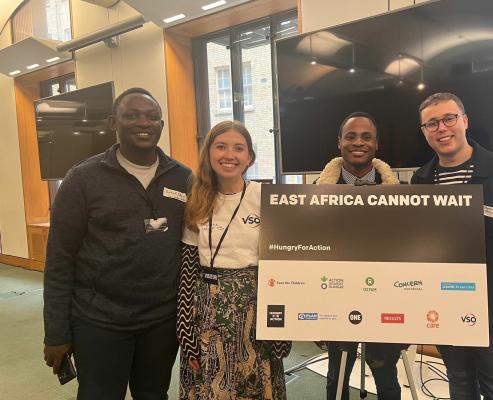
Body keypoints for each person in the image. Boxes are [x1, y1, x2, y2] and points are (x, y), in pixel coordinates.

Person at [43, 87, 191, 399]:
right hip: (100, 321)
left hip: (161, 322)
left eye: (152, 117)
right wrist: (56, 333)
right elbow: (59, 260)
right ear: (113, 122)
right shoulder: (82, 179)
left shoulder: (183, 178)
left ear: (161, 126)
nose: (144, 122)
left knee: (153, 394)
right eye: (132, 115)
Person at [411, 92, 493, 399]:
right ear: (424, 132)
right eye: (432, 123)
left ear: (465, 121)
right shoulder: (421, 180)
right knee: (460, 386)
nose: (442, 128)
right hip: (445, 309)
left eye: (449, 118)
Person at [177, 120, 289, 400]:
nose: (230, 154)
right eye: (221, 146)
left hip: (254, 308)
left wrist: (282, 328)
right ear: (209, 152)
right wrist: (186, 333)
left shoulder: (265, 197)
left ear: (249, 157)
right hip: (207, 311)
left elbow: (282, 264)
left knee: (257, 385)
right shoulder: (196, 200)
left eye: (239, 148)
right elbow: (188, 269)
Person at [316, 111, 409, 400]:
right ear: (339, 142)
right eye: (351, 136)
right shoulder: (315, 197)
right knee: (337, 376)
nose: (359, 142)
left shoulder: (405, 195)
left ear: (376, 144)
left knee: (386, 376)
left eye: (366, 137)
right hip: (336, 296)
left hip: (386, 298)